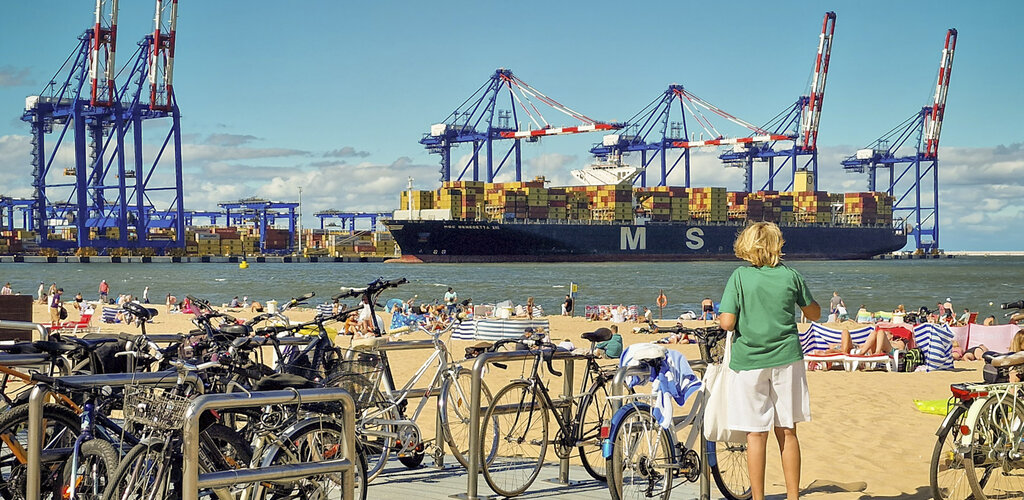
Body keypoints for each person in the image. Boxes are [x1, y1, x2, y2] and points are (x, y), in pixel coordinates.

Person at [718, 221, 820, 500]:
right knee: (787, 431)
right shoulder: (791, 276)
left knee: (756, 434)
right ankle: (793, 497)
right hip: (787, 359)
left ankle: (759, 498)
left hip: (749, 362)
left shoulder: (739, 277)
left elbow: (727, 322)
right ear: (777, 245)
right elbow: (814, 314)